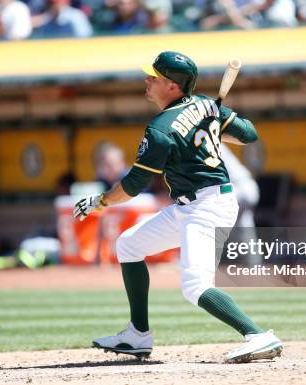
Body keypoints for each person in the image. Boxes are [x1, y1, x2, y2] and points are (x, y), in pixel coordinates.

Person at [74, 51, 283, 363]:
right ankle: (137, 335)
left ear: (172, 86)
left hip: (208, 206)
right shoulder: (203, 104)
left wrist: (100, 201)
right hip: (191, 205)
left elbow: (132, 186)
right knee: (129, 245)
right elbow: (249, 134)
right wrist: (218, 117)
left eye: (154, 77)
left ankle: (258, 335)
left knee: (195, 286)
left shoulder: (162, 127)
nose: (147, 80)